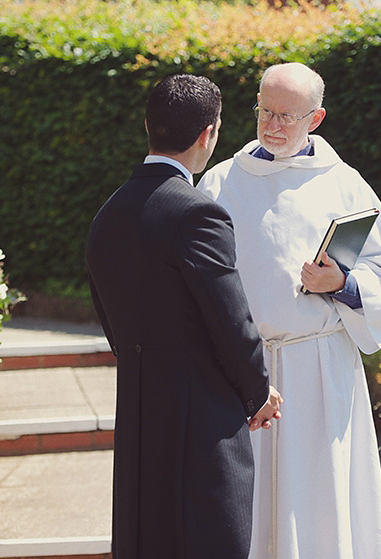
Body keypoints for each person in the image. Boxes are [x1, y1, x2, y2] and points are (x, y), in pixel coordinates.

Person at [197, 62, 381, 559]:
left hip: (320, 371)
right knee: (245, 506)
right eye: (265, 112)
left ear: (315, 119)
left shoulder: (345, 185)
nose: (273, 126)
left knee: (321, 502)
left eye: (287, 116)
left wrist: (342, 283)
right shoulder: (220, 183)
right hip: (244, 371)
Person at [86, 73, 283, 559]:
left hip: (138, 414)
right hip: (203, 424)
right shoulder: (198, 213)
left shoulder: (107, 214)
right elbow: (231, 321)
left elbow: (111, 322)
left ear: (147, 125)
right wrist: (257, 392)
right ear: (208, 135)